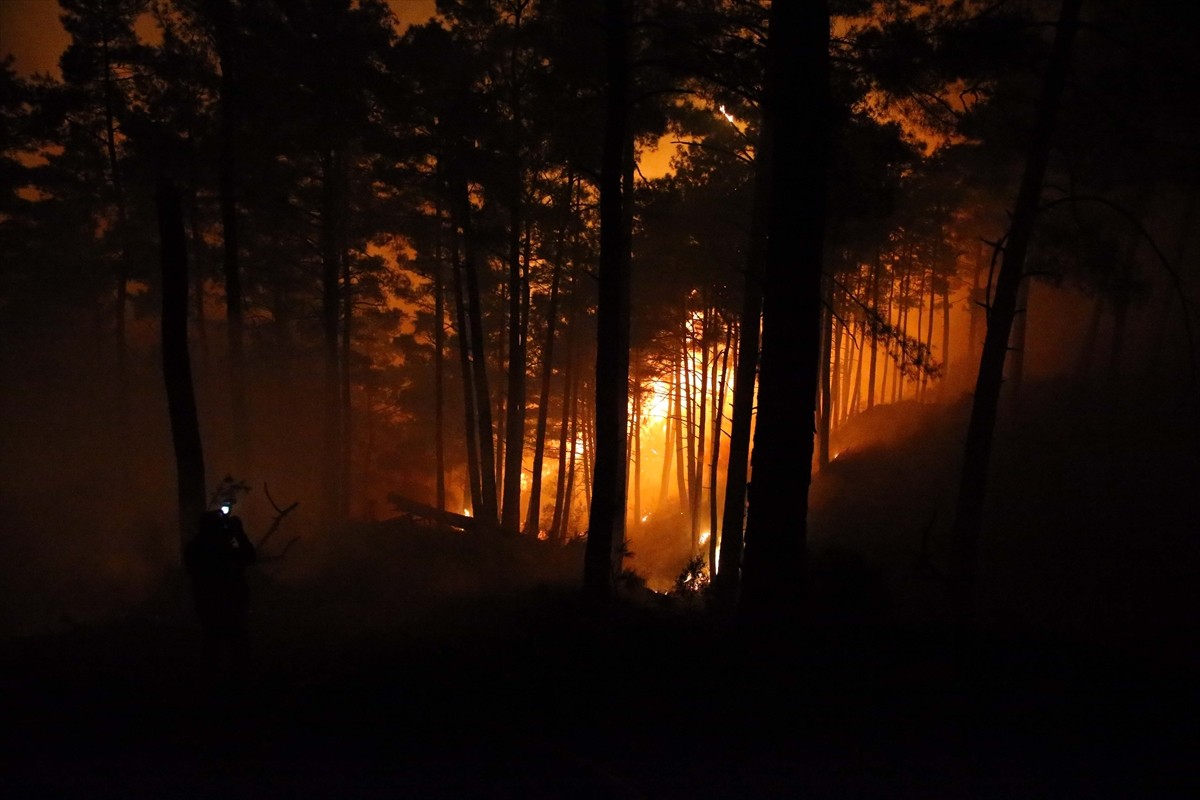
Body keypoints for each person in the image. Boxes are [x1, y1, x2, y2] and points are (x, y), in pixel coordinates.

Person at [184, 490, 257, 686]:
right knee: (233, 645)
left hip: (209, 604)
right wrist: (239, 533)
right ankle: (233, 685)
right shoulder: (217, 549)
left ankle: (213, 683)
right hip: (225, 603)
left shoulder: (195, 547)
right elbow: (250, 557)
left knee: (213, 646)